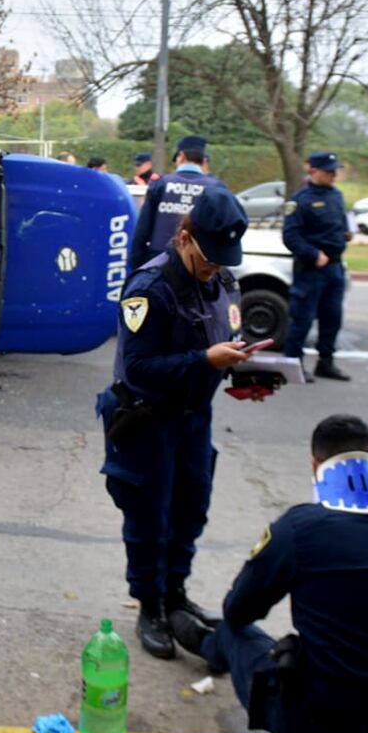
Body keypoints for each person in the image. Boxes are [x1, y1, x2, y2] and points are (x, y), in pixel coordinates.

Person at [171, 415, 368, 733]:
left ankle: (211, 645)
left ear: (315, 466)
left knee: (234, 631)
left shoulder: (299, 529)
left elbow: (239, 610)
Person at [95, 187, 257, 660]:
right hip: (147, 420)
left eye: (223, 259)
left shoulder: (224, 283)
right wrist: (204, 359)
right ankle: (150, 605)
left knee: (191, 509)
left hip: (193, 418)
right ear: (185, 238)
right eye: (208, 257)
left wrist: (245, 375)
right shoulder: (148, 288)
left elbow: (228, 340)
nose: (215, 267)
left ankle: (176, 593)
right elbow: (139, 368)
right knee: (150, 516)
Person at [282, 151, 351, 382]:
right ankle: (292, 365)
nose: (333, 175)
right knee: (302, 318)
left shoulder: (336, 196)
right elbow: (290, 236)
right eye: (328, 171)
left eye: (334, 171)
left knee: (332, 318)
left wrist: (345, 234)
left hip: (335, 267)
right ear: (313, 171)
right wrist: (313, 254)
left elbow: (339, 223)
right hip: (311, 268)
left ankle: (326, 362)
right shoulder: (300, 200)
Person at [128, 136, 225, 270]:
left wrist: (137, 266)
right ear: (203, 160)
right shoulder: (216, 188)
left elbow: (142, 230)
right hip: (198, 265)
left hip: (159, 263)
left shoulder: (161, 184)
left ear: (181, 156)